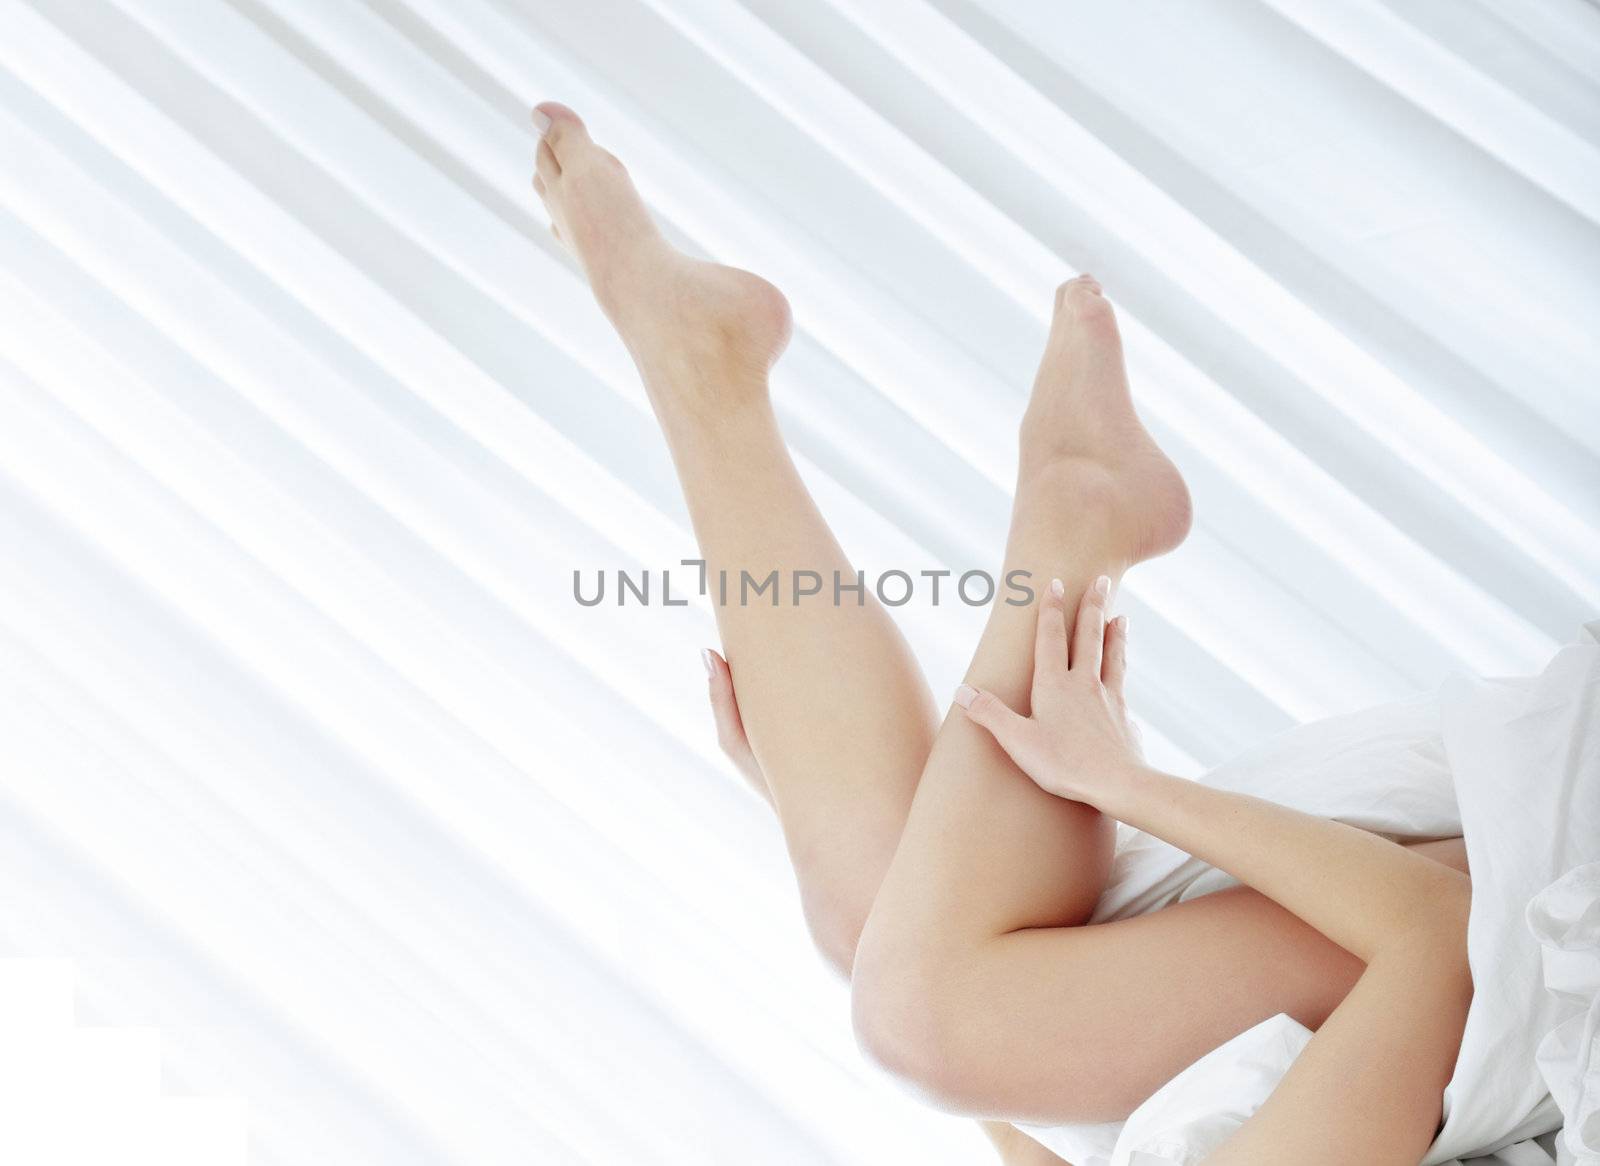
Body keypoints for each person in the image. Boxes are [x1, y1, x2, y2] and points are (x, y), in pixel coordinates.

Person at [528, 101, 1489, 1164]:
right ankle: (1063, 520)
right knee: (920, 1003)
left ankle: (713, 374)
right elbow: (1441, 937)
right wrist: (1125, 786)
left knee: (874, 922)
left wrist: (879, 891)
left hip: (1345, 1030)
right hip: (1490, 939)